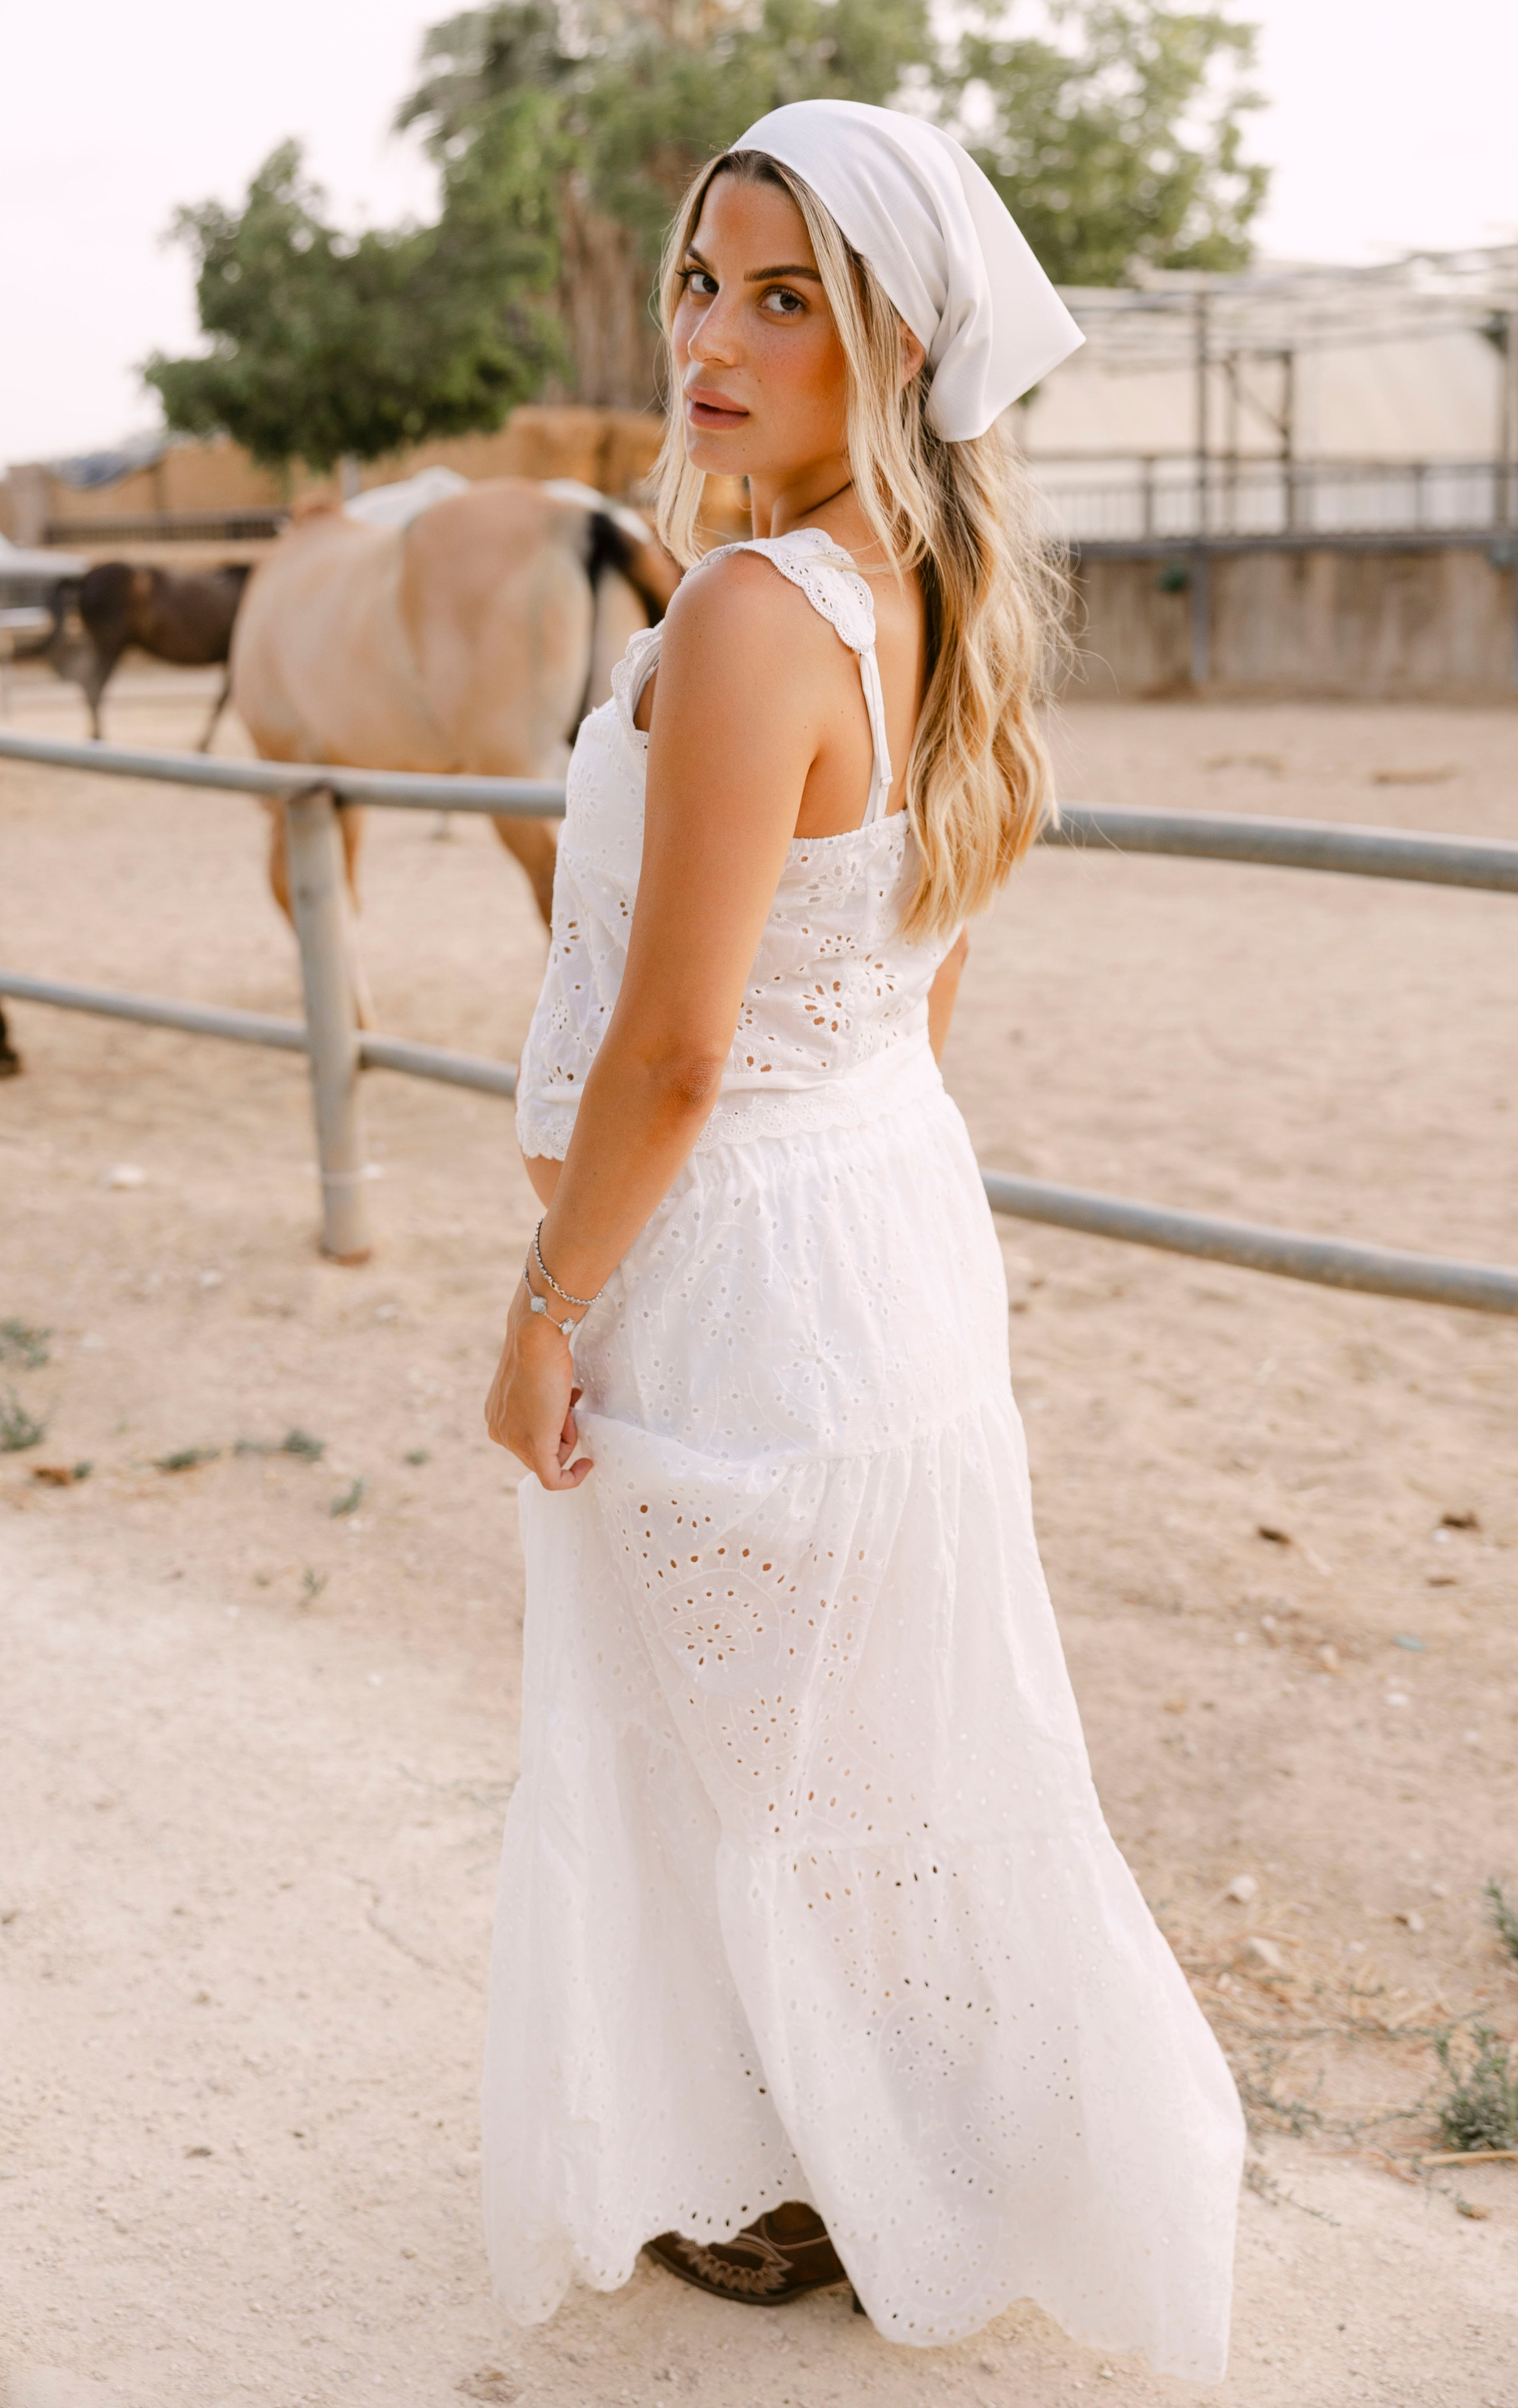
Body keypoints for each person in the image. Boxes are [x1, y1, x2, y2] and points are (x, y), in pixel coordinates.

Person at [482, 98, 1243, 2384]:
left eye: (785, 301)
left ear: (897, 349)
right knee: (878, 1723)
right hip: (890, 1207)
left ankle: (818, 2172)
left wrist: (545, 1309)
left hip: (744, 1250)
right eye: (703, 285)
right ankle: (917, 2132)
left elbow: (676, 1049)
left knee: (742, 1733)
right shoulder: (936, 597)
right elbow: (929, 960)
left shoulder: (742, 609)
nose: (715, 338)